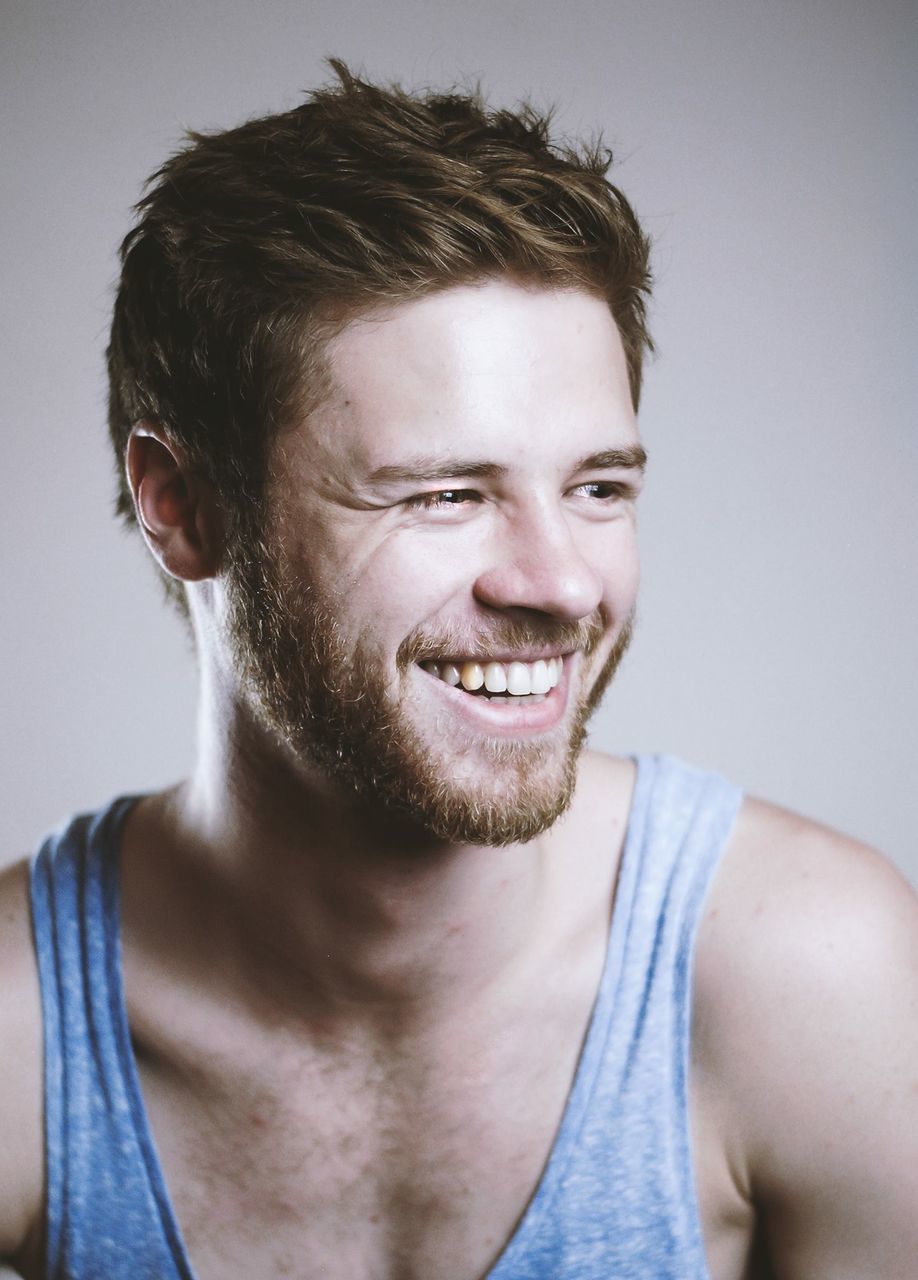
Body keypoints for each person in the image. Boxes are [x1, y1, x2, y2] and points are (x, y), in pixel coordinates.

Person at [0, 61, 915, 1280]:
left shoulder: (817, 983)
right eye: (444, 493)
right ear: (180, 503)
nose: (563, 584)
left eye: (598, 487)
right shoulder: (20, 1037)